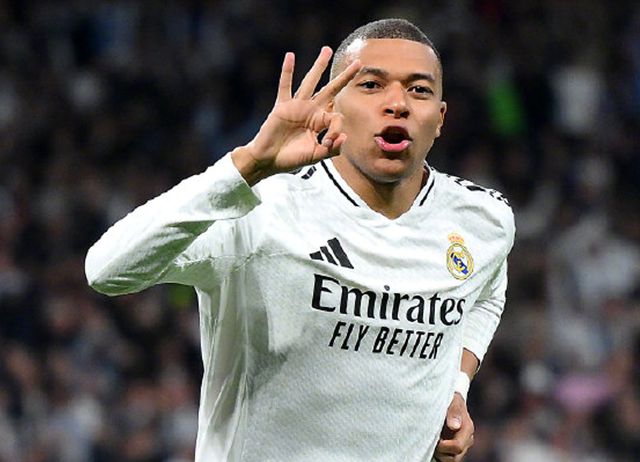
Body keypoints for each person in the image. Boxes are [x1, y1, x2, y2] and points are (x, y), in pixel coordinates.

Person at [86, 18, 514, 462]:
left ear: (439, 118)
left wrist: (456, 387)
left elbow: (485, 294)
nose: (397, 104)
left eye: (419, 90)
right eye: (371, 85)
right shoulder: (259, 212)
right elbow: (107, 270)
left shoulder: (483, 220)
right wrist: (247, 165)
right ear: (332, 106)